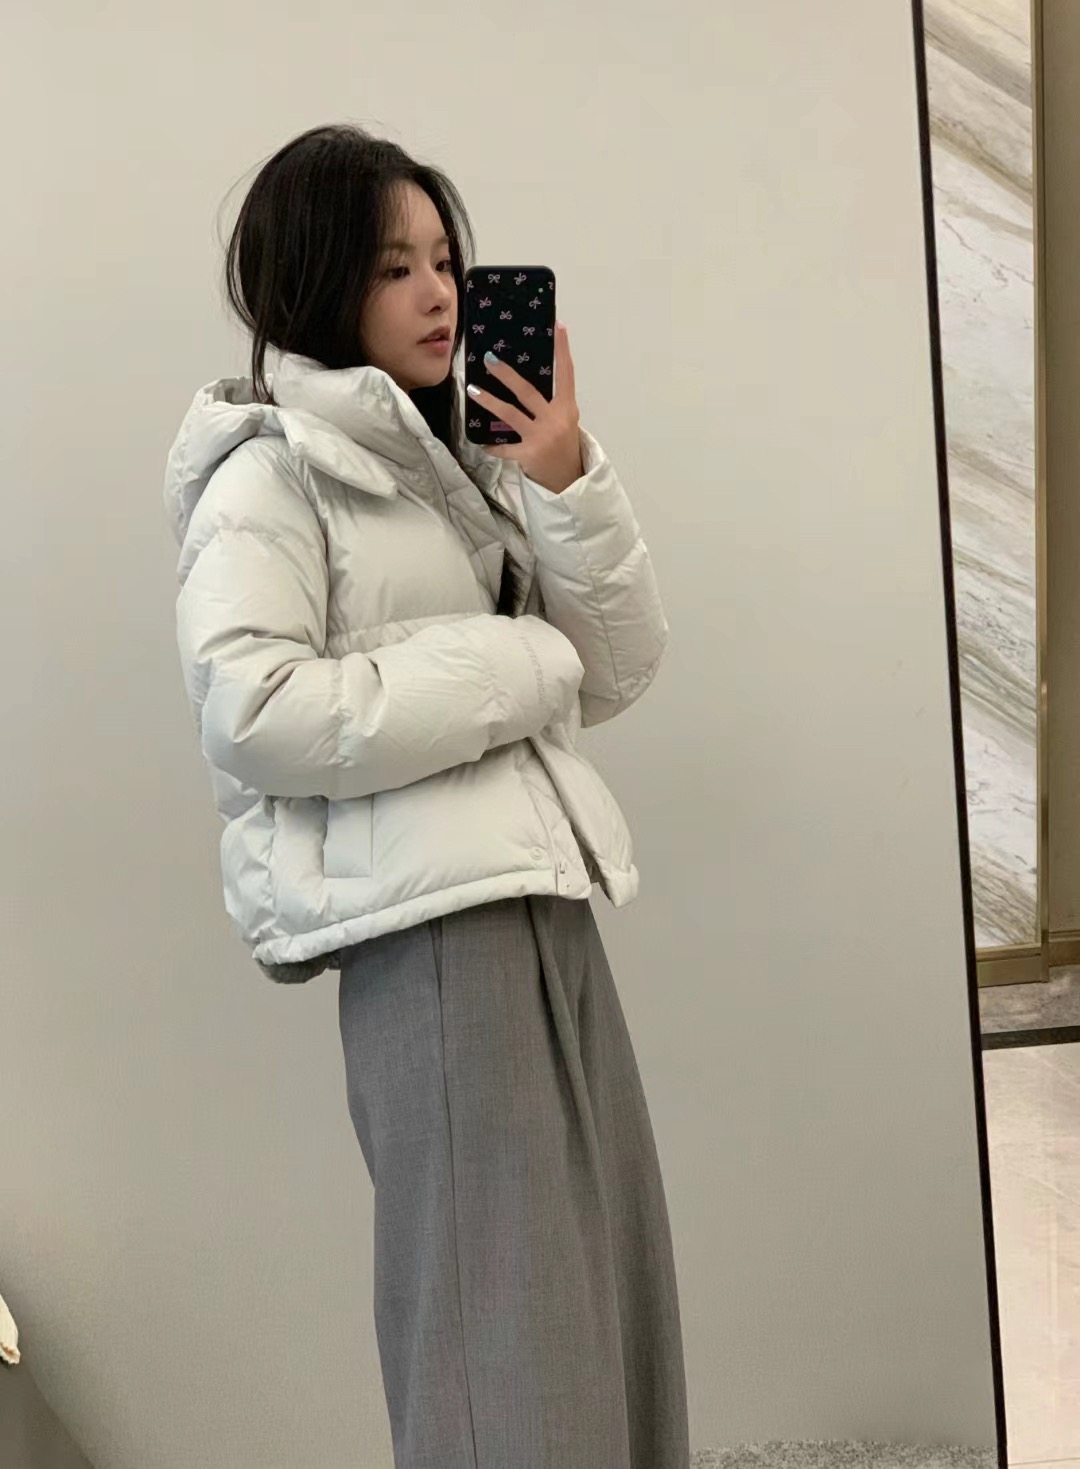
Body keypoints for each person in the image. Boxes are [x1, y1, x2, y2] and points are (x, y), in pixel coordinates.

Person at [163, 122, 689, 1468]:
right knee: (490, 1318)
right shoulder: (270, 470)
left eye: (446, 260)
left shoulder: (466, 460)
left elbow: (614, 666)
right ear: (318, 281)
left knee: (596, 1281)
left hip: (543, 901)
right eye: (395, 266)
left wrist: (564, 477)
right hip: (432, 938)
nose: (440, 292)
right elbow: (253, 709)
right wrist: (514, 661)